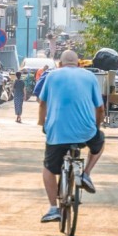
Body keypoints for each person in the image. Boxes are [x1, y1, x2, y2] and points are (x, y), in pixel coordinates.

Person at [36, 49, 105, 223]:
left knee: (48, 168)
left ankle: (53, 208)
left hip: (57, 132)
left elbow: (42, 103)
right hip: (85, 132)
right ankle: (86, 174)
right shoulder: (89, 77)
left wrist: (42, 124)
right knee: (100, 142)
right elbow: (100, 109)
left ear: (60, 64)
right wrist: (96, 127)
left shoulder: (51, 76)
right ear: (79, 63)